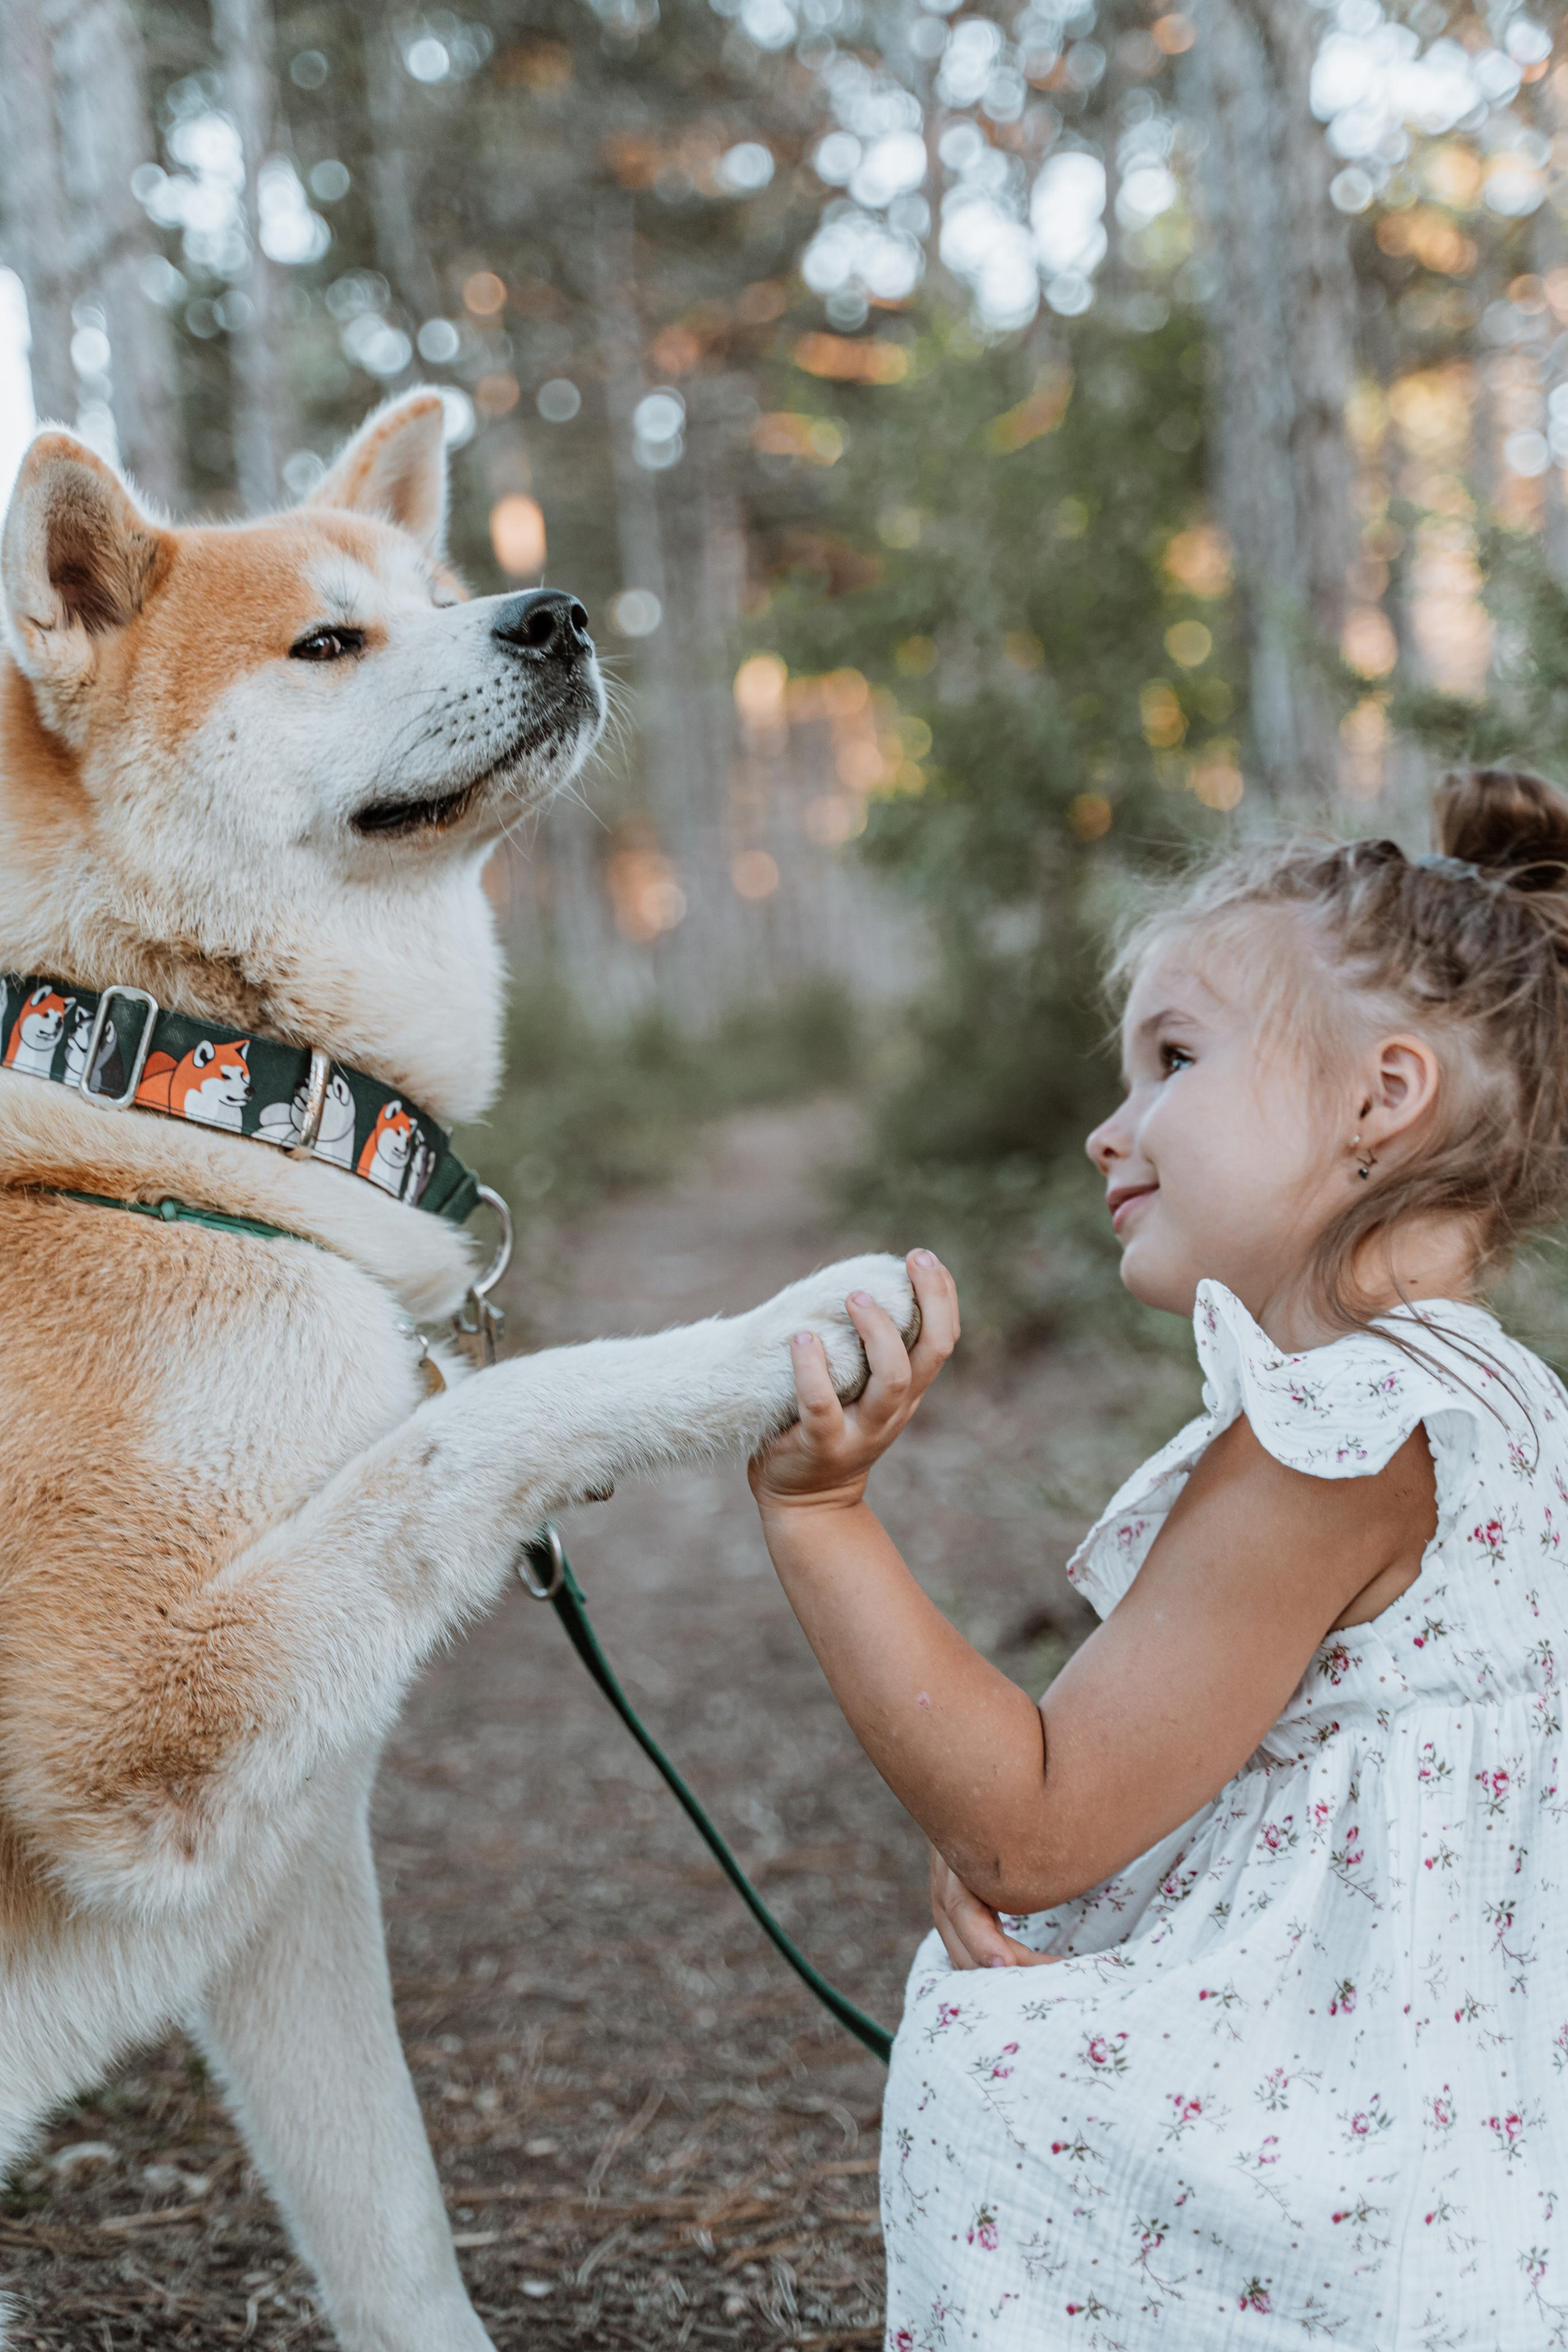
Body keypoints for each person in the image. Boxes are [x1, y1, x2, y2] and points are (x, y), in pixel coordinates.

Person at [747, 767, 1568, 2350]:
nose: (1106, 1129)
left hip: (1358, 2189)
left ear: (1379, 1101)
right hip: (1476, 2154)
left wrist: (819, 1517)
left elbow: (1035, 1828)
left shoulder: (1334, 1440)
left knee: (1003, 2077)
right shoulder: (1502, 1407)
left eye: (1173, 1061)